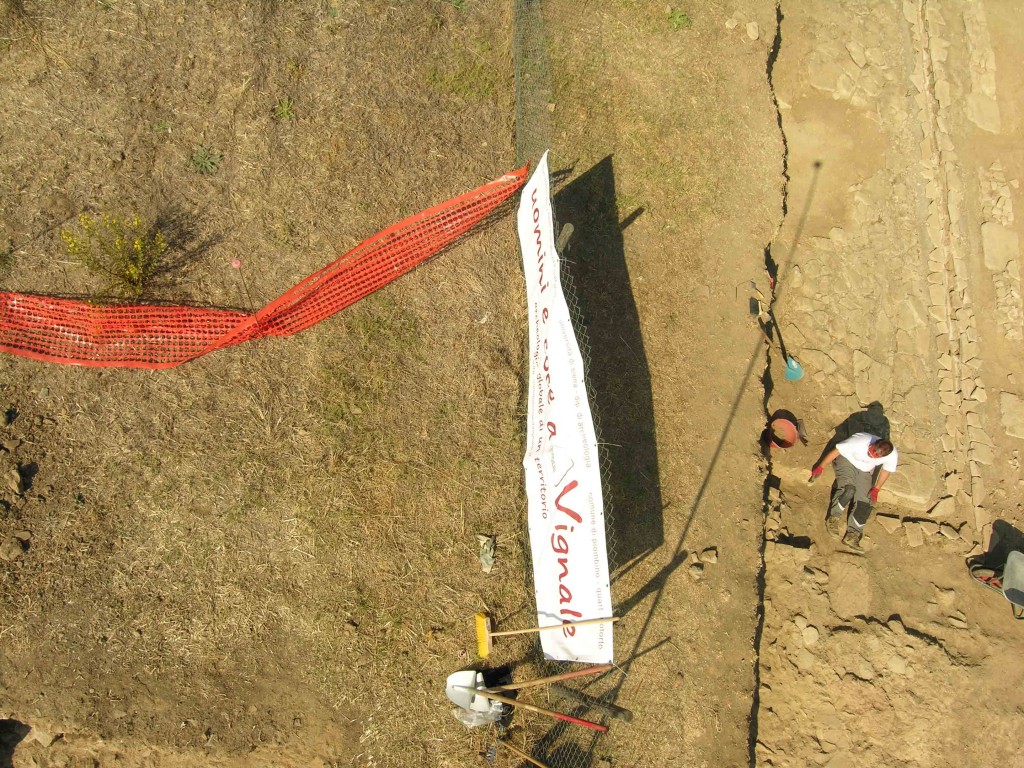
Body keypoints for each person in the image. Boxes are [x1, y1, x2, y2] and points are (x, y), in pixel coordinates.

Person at [808, 432, 898, 549]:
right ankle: (833, 518)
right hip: (847, 460)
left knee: (866, 501)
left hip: (864, 470)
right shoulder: (860, 440)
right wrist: (821, 466)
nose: (870, 455)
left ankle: (852, 535)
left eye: (874, 456)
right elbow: (837, 451)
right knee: (848, 490)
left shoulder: (891, 455)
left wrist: (876, 489)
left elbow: (886, 470)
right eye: (870, 451)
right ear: (873, 443)